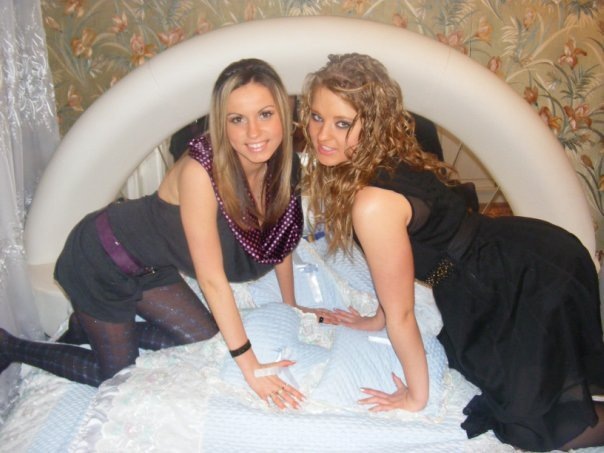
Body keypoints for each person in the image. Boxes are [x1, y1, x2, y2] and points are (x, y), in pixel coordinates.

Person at [299, 53, 604, 450]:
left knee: (539, 427)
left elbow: (403, 313)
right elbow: (396, 269)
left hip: (521, 280)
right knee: (542, 390)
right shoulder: (382, 158)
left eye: (342, 123)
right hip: (515, 255)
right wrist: (376, 319)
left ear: (372, 124)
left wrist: (415, 397)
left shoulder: (372, 203)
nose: (323, 135)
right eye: (316, 117)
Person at [0, 58, 308, 409]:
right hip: (100, 257)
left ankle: (88, 326)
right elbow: (212, 280)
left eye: (265, 114)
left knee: (203, 341)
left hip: (152, 268)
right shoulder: (201, 174)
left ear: (284, 111)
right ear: (221, 124)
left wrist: (292, 305)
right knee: (115, 374)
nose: (254, 133)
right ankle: (12, 346)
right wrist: (250, 366)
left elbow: (280, 237)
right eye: (237, 119)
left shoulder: (283, 165)